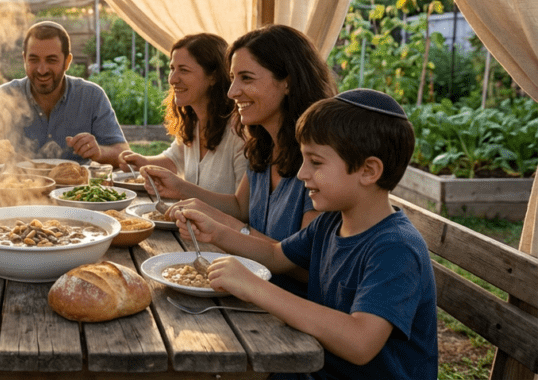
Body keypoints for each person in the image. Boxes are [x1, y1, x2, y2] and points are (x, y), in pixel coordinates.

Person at [175, 89, 437, 379]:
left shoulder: (395, 248)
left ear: (368, 170)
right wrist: (217, 233)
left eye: (316, 162)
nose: (301, 174)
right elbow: (277, 255)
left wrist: (255, 287)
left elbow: (360, 342)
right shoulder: (330, 223)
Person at [157, 24, 337, 296]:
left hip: (283, 307)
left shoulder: (319, 161)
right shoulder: (263, 144)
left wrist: (227, 229)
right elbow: (241, 206)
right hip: (245, 290)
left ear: (288, 81)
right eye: (232, 78)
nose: (232, 92)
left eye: (247, 78)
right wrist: (185, 191)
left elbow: (306, 268)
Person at [0, 20, 129, 168]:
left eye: (51, 60)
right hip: (16, 193)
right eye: (34, 60)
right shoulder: (3, 96)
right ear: (24, 59)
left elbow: (123, 154)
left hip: (74, 195)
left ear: (67, 61)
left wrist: (99, 152)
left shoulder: (92, 96)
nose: (42, 70)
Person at [119, 33, 247, 195]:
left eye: (184, 70)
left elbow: (243, 209)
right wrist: (142, 162)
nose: (172, 79)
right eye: (172, 68)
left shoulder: (240, 132)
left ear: (213, 76)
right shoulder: (193, 122)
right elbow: (174, 159)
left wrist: (181, 190)